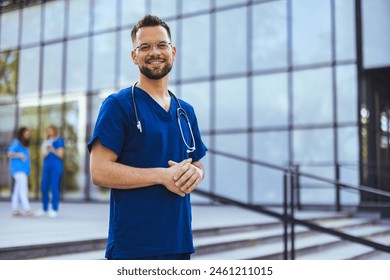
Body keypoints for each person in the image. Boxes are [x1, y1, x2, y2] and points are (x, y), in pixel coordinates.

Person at [88, 15, 207, 260]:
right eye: (145, 46)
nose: (155, 52)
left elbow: (197, 163)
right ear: (134, 56)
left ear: (173, 51)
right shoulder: (118, 105)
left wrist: (197, 173)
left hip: (179, 242)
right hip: (134, 247)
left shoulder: (186, 111)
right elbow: (99, 171)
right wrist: (161, 176)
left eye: (161, 45)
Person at [37, 125, 65, 218]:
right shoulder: (46, 142)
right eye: (47, 130)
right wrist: (45, 151)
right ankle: (44, 209)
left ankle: (54, 209)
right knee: (44, 186)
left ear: (54, 131)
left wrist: (52, 149)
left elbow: (60, 154)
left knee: (54, 187)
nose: (48, 132)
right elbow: (43, 155)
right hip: (46, 167)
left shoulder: (59, 140)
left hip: (55, 167)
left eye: (50, 130)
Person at [8, 127, 32, 217]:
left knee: (17, 190)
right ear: (21, 134)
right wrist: (20, 155)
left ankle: (14, 209)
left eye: (28, 134)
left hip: (23, 171)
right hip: (18, 170)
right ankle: (27, 209)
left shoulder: (24, 145)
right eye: (26, 133)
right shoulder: (16, 143)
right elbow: (10, 154)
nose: (27, 135)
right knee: (23, 190)